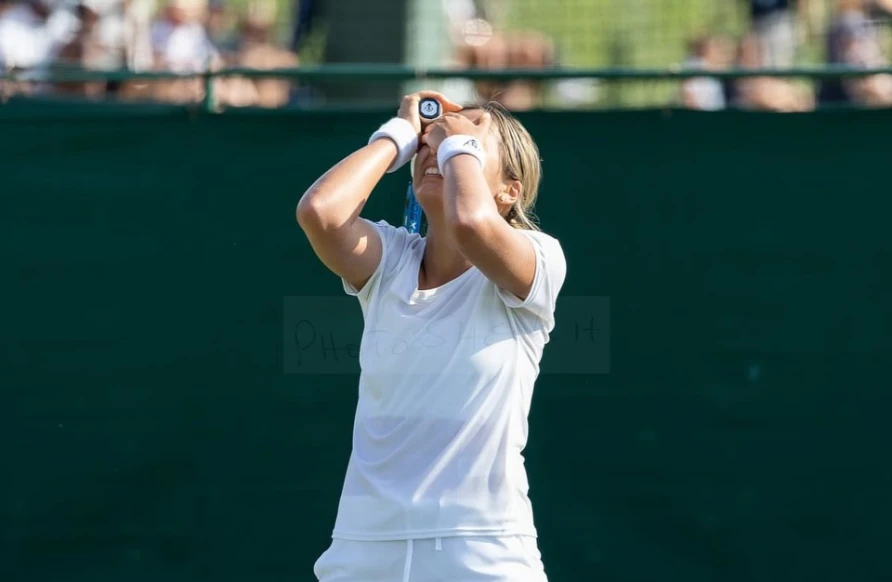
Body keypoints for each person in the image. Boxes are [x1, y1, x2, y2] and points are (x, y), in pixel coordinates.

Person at [296, 91, 566, 581]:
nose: (440, 141)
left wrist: (452, 144)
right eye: (433, 140)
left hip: (480, 548)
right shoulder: (392, 260)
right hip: (363, 548)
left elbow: (471, 223)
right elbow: (320, 211)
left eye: (473, 130)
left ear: (510, 190)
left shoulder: (539, 258)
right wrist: (399, 135)